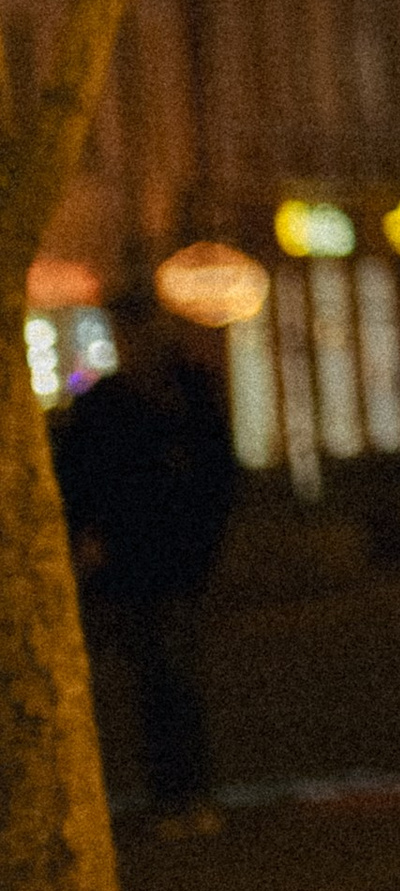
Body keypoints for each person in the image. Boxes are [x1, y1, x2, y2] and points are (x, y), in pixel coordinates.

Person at [52, 310, 238, 834]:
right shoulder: (107, 404)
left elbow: (217, 477)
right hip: (129, 562)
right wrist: (88, 538)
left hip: (167, 562)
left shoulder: (183, 398)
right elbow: (77, 477)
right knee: (151, 679)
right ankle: (173, 792)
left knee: (170, 676)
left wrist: (201, 546)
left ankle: (186, 791)